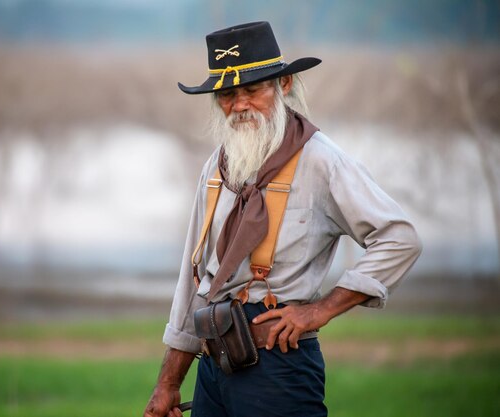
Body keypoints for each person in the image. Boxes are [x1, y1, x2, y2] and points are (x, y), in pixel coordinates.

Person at [143, 21, 422, 417]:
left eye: (252, 90)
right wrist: (168, 383)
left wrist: (319, 310)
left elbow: (400, 239)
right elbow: (196, 282)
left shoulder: (322, 162)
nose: (239, 105)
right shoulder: (216, 168)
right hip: (213, 365)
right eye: (227, 94)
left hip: (280, 365)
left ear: (284, 84)